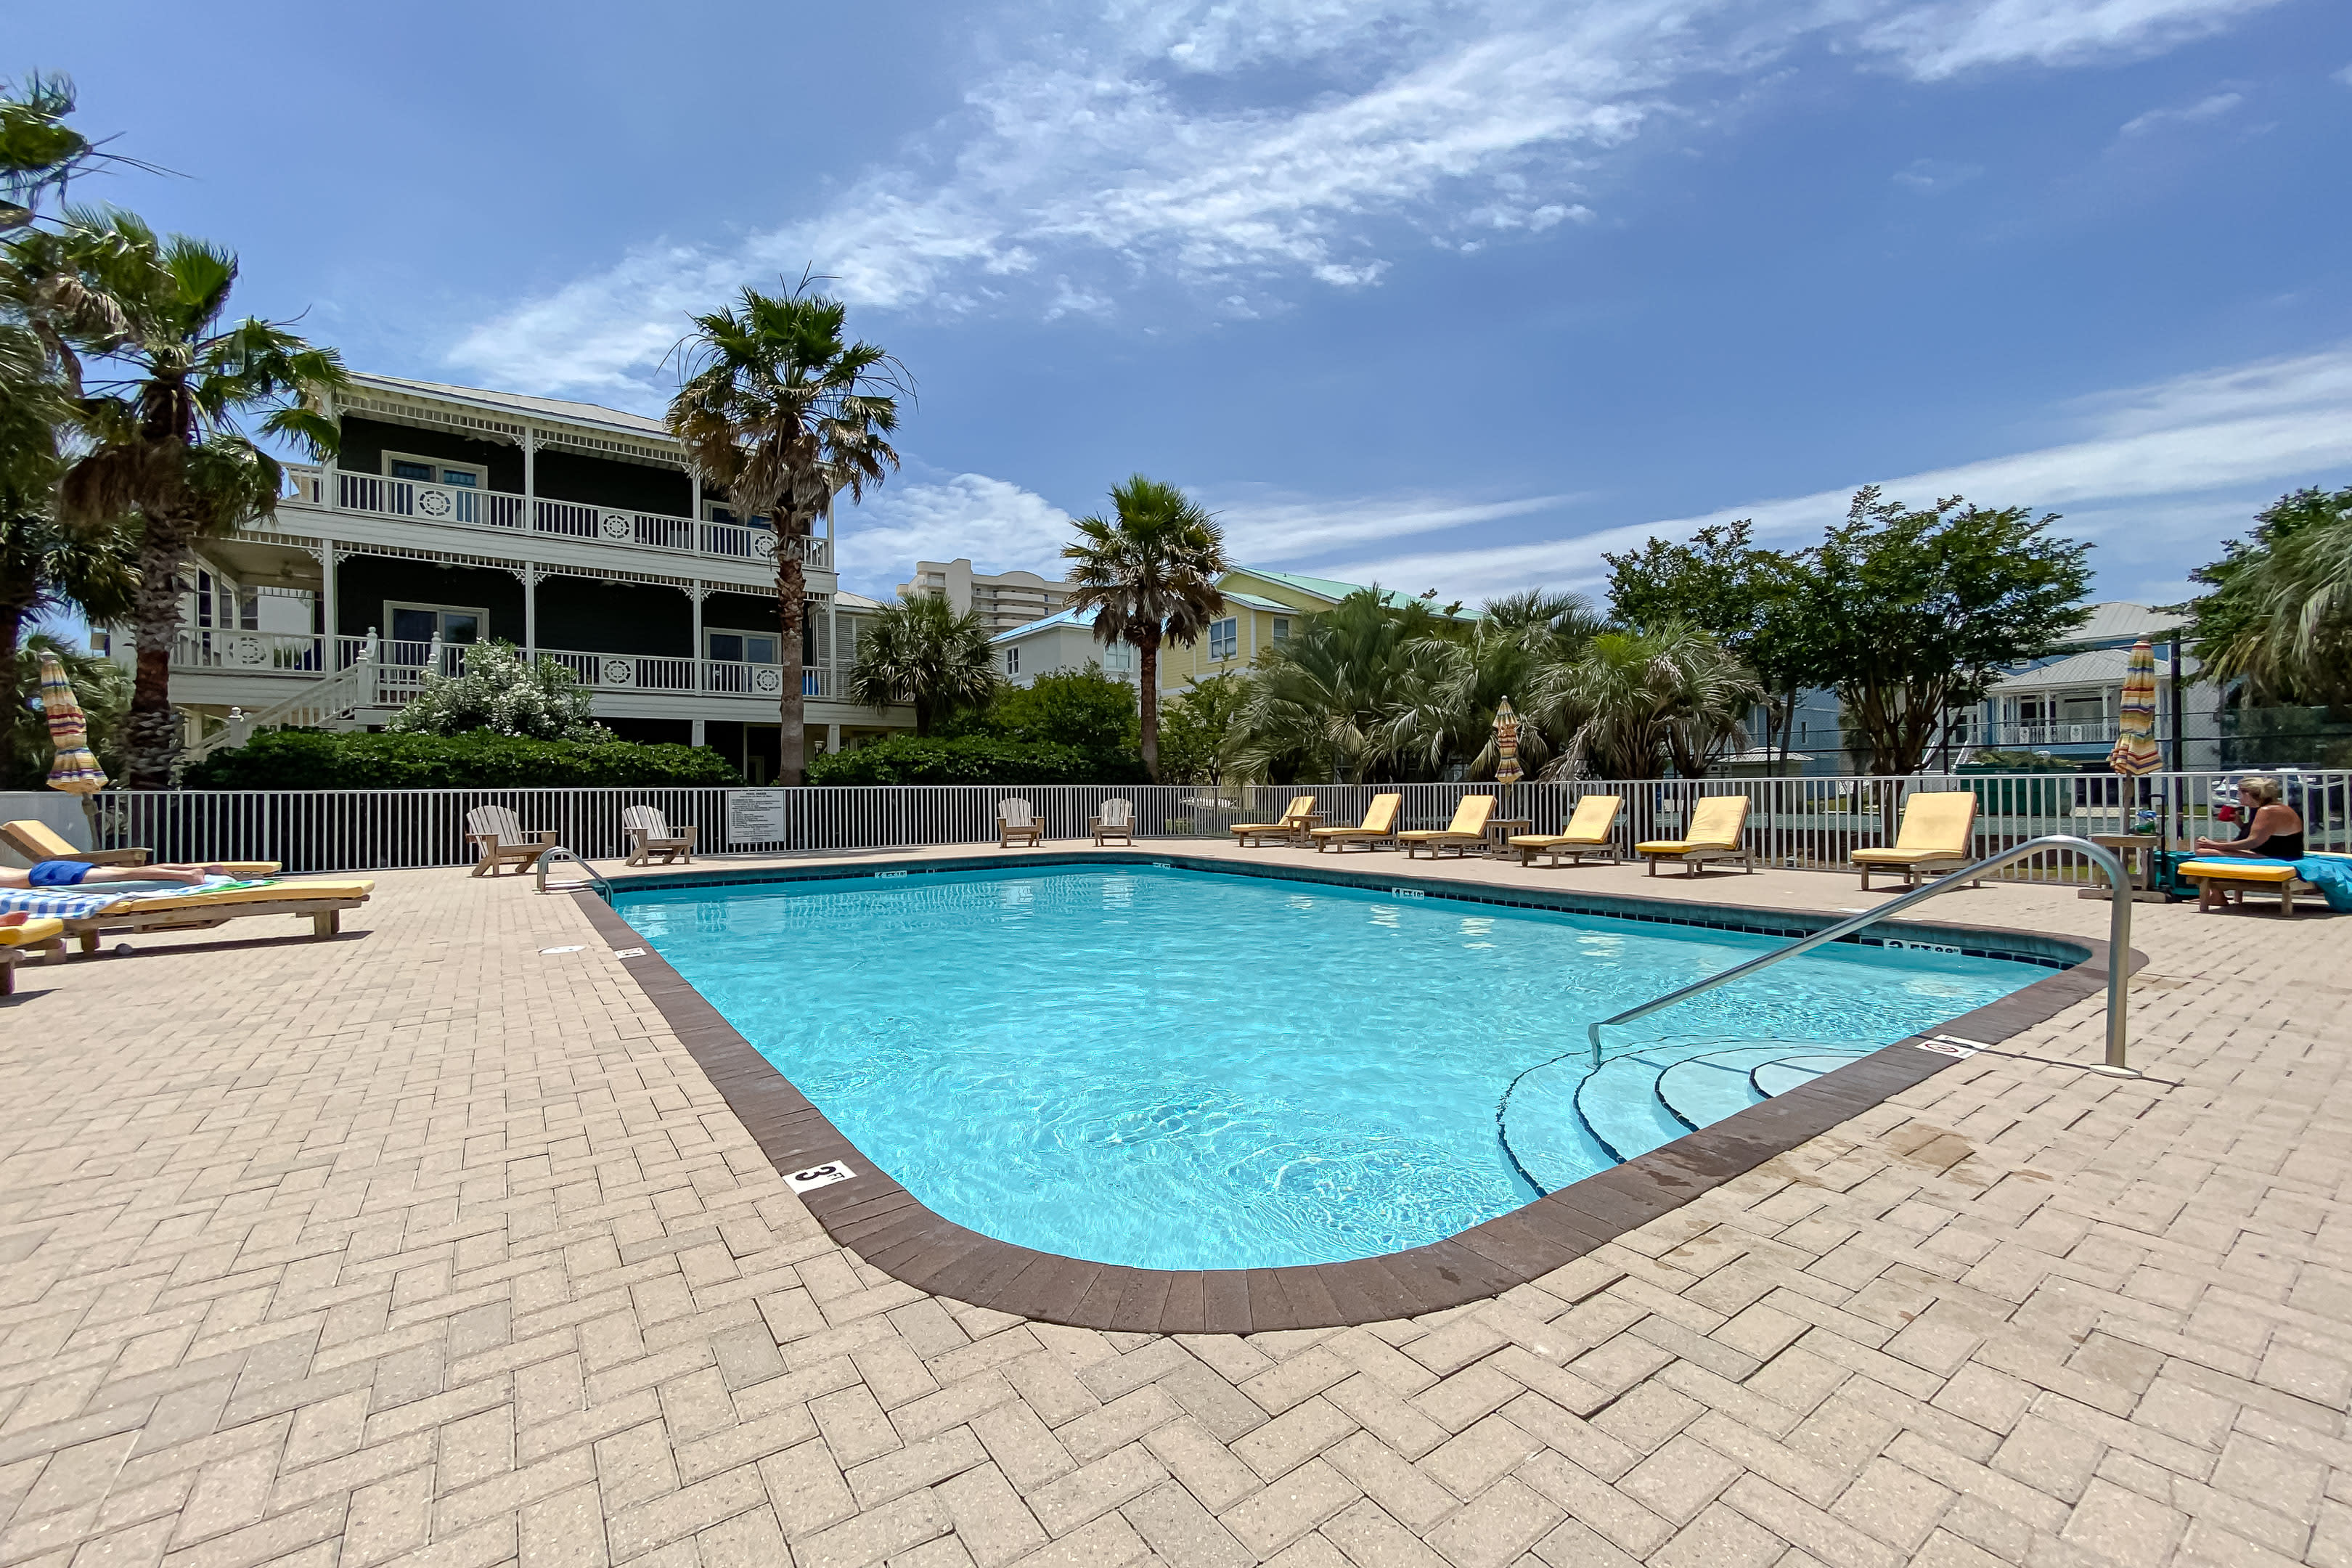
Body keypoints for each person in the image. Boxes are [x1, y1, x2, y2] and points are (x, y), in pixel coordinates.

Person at [2194, 777, 2306, 861]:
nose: (2238, 796)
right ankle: (2217, 891)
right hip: (2279, 852)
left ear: (2247, 794)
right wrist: (2240, 824)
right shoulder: (2267, 808)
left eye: (2239, 793)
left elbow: (2253, 842)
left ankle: (2216, 891)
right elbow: (2261, 834)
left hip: (2279, 856)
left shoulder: (2267, 811)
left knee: (2204, 852)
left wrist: (2214, 845)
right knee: (2205, 851)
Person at [0, 860, 222, 891]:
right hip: (48, 868)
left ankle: (188, 875)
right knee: (122, 872)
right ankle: (195, 868)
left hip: (46, 876)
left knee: (124, 875)